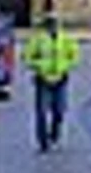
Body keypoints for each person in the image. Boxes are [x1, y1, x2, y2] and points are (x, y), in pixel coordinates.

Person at [22, 14, 80, 152]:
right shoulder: (37, 40)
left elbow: (74, 56)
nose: (53, 27)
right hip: (43, 79)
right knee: (41, 112)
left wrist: (65, 66)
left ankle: (54, 134)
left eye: (56, 25)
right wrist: (40, 66)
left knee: (59, 111)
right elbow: (27, 57)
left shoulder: (66, 39)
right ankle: (43, 142)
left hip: (61, 79)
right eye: (50, 25)